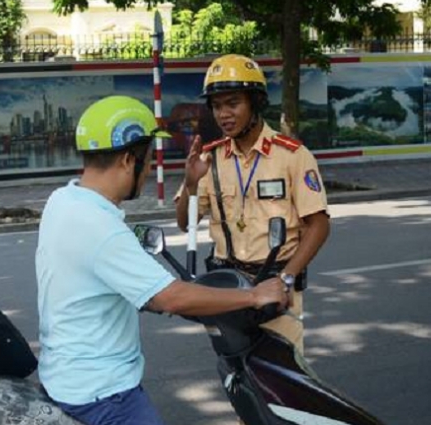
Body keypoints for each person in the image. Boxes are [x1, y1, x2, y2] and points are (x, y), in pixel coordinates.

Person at [36, 95, 290, 425]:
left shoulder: (63, 200)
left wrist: (190, 183)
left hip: (63, 376)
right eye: (149, 160)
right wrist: (254, 295)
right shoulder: (102, 229)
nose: (151, 169)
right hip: (104, 394)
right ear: (129, 160)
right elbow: (169, 296)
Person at [175, 54, 331, 353]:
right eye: (217, 106)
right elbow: (185, 223)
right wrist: (191, 183)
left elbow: (319, 225)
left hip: (275, 290)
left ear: (255, 103)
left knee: (282, 382)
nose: (224, 114)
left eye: (233, 103)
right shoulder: (211, 158)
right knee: (236, 377)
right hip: (227, 291)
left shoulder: (292, 156)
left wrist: (286, 279)